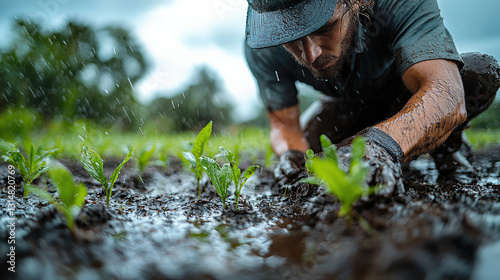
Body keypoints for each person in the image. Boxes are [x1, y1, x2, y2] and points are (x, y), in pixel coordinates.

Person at [244, 0, 500, 195]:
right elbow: (284, 127)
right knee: (312, 156)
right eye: (291, 39)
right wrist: (292, 157)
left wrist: (379, 146)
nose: (311, 54)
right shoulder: (265, 46)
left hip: (407, 98)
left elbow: (446, 92)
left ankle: (447, 150)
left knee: (476, 75)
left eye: (325, 27)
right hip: (347, 109)